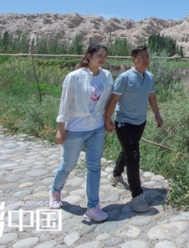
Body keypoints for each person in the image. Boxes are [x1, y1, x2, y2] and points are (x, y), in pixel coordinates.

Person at [49, 43, 113, 222]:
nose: (102, 59)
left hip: (96, 127)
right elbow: (65, 103)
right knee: (68, 165)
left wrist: (108, 120)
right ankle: (55, 191)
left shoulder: (107, 76)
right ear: (89, 56)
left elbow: (108, 101)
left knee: (94, 166)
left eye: (105, 55)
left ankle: (93, 206)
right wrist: (61, 129)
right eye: (99, 55)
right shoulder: (74, 77)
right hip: (76, 128)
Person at [104, 45, 163, 213]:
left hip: (140, 122)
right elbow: (113, 100)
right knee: (134, 156)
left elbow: (152, 96)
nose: (145, 60)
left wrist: (157, 115)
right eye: (141, 57)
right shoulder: (124, 78)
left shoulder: (149, 77)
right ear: (133, 59)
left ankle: (116, 174)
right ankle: (137, 196)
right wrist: (107, 120)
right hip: (124, 123)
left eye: (146, 57)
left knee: (129, 150)